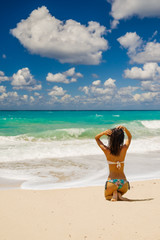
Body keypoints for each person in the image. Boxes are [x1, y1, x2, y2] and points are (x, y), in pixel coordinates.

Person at [95, 126, 132, 201]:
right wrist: (125, 129)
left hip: (112, 182)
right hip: (124, 183)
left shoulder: (106, 150)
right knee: (120, 191)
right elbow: (130, 137)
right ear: (121, 139)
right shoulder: (124, 149)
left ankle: (115, 194)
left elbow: (96, 138)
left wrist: (103, 133)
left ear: (111, 139)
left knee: (107, 197)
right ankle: (119, 194)